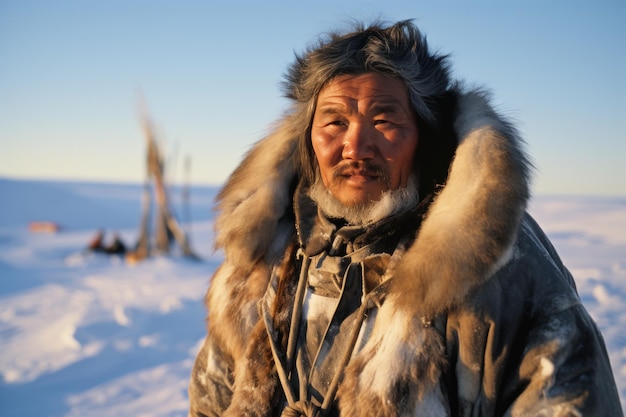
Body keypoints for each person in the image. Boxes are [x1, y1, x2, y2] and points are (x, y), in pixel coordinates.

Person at [188, 20, 622, 417]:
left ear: (425, 136)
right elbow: (210, 399)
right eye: (334, 122)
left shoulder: (493, 265)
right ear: (307, 139)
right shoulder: (264, 257)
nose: (356, 147)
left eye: (383, 120)